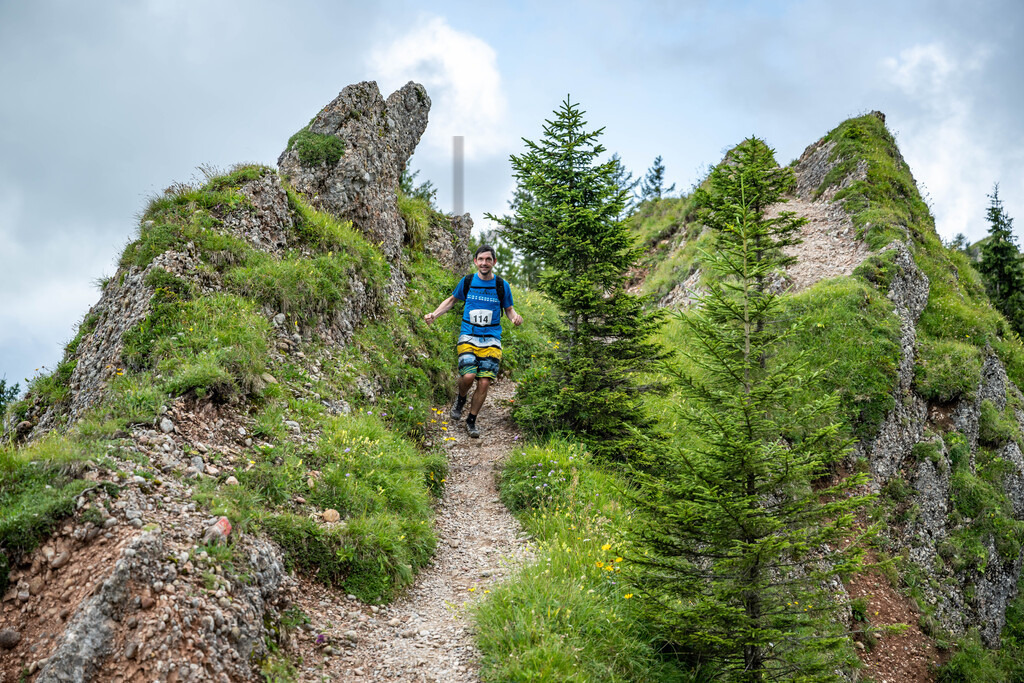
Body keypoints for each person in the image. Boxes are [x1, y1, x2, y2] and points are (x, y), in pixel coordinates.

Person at [423, 245, 523, 438]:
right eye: (481, 259)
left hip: (492, 338)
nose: (484, 263)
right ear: (475, 261)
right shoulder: (468, 281)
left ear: (494, 262)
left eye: (488, 259)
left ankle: (471, 420)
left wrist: (515, 318)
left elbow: (509, 309)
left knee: (484, 382)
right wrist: (434, 315)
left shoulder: (502, 285)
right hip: (468, 335)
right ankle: (461, 399)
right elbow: (452, 300)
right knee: (468, 377)